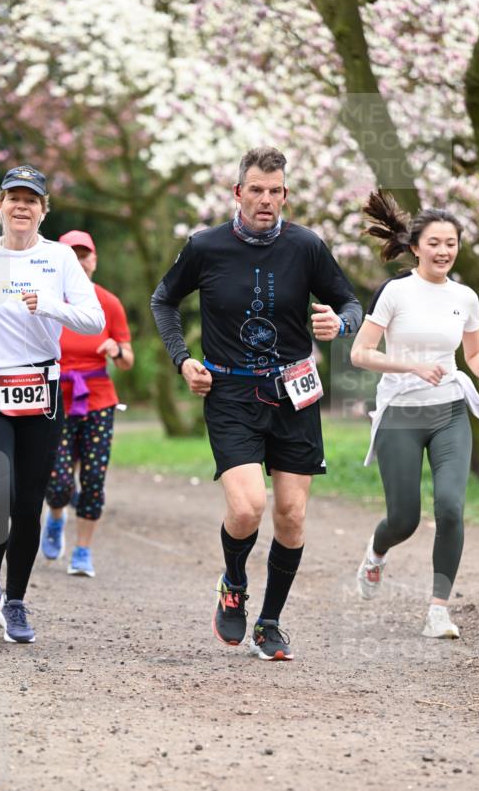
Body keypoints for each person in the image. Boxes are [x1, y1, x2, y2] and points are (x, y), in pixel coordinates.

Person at [151, 147, 362, 661]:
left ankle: (269, 622)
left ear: (285, 194)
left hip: (293, 393)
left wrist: (342, 324)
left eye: (275, 191)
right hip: (230, 393)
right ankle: (234, 583)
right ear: (237, 193)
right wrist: (183, 360)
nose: (265, 200)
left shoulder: (307, 246)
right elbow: (163, 300)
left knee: (291, 516)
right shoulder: (205, 247)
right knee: (248, 507)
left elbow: (351, 303)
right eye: (256, 190)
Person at [0, 165, 105, 643]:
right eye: (13, 198)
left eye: (31, 200)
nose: (21, 206)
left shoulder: (60, 260)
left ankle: (16, 602)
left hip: (41, 389)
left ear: (42, 211)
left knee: (28, 502)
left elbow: (92, 320)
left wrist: (48, 304)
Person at [351, 190, 479, 639]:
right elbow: (361, 354)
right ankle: (376, 553)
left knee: (452, 508)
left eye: (451, 243)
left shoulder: (466, 297)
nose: (444, 251)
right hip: (401, 412)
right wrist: (411, 365)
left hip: (450, 412)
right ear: (416, 247)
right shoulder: (395, 293)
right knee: (404, 519)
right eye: (435, 243)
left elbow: (473, 352)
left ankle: (438, 610)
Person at [40, 230, 133, 576]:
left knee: (93, 478)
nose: (79, 262)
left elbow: (127, 360)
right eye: (71, 255)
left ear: (94, 260)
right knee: (61, 480)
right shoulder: (47, 302)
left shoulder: (108, 303)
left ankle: (82, 551)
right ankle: (55, 516)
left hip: (98, 400)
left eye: (84, 255)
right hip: (55, 400)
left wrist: (116, 349)